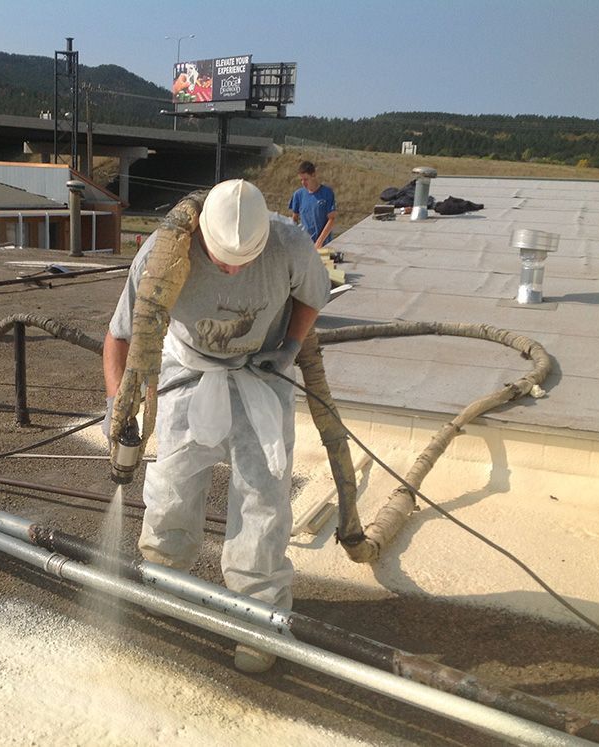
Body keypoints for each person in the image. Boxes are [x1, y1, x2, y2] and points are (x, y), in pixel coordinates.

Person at [103, 180, 330, 673]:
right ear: (203, 236)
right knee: (172, 486)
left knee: (263, 496)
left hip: (259, 373)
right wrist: (115, 401)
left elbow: (313, 295)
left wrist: (289, 347)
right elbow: (121, 335)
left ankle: (259, 614)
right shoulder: (162, 255)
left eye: (244, 261)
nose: (232, 270)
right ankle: (164, 581)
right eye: (223, 260)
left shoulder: (289, 243)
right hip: (188, 370)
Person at [289, 161, 338, 249]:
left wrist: (319, 242)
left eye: (306, 179)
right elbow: (294, 219)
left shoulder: (327, 193)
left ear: (313, 175)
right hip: (304, 245)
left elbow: (331, 219)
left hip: (324, 245)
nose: (303, 183)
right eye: (301, 180)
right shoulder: (298, 195)